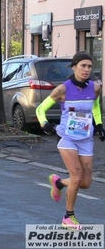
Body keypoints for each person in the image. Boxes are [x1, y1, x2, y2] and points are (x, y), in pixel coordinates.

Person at [35, 51, 105, 229]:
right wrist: (45, 124)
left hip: (86, 139)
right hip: (67, 138)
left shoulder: (95, 88)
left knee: (86, 183)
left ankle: (58, 182)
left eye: (89, 66)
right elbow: (40, 109)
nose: (86, 69)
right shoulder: (62, 89)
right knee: (77, 177)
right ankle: (68, 217)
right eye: (83, 66)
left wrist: (99, 124)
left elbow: (95, 107)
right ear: (74, 67)